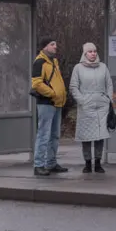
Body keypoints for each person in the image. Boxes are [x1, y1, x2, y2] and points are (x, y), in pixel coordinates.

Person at [69, 42, 113, 174]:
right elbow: (73, 87)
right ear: (85, 53)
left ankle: (98, 163)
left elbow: (109, 85)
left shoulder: (103, 67)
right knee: (86, 135)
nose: (93, 54)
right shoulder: (78, 68)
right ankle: (87, 163)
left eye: (94, 51)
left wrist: (108, 100)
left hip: (102, 105)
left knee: (100, 135)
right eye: (90, 51)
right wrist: (82, 100)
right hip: (86, 105)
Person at [31, 38, 68, 177]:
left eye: (55, 44)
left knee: (54, 135)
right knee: (44, 134)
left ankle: (51, 163)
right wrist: (52, 93)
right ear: (44, 47)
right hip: (46, 103)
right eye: (52, 44)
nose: (55, 47)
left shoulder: (54, 62)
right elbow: (37, 83)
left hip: (57, 103)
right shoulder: (39, 62)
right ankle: (38, 165)